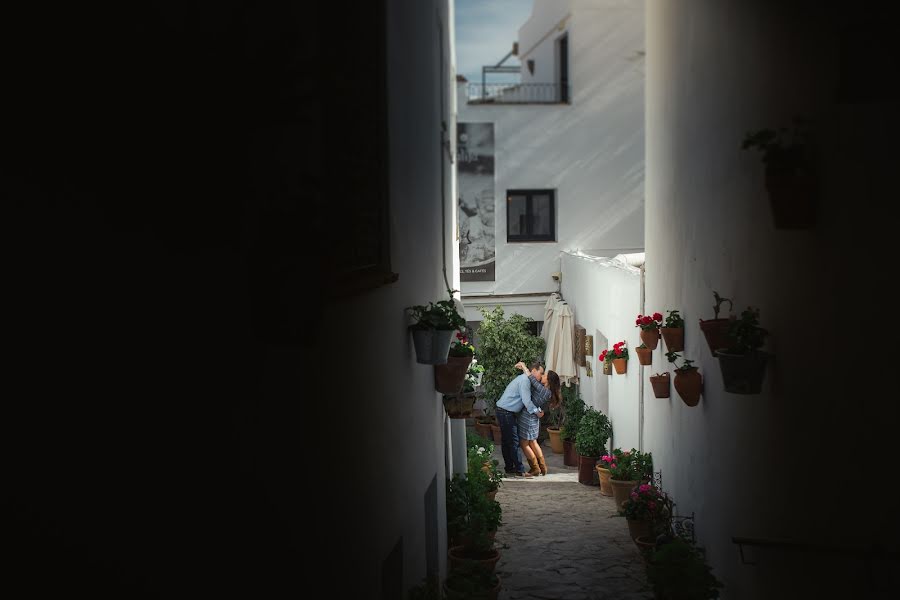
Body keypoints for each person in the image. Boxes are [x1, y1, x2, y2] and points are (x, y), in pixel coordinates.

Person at [494, 361, 545, 477]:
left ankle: (510, 468)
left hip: (503, 411)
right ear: (533, 371)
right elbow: (527, 401)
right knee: (513, 442)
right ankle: (520, 470)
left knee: (507, 442)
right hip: (506, 412)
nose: (541, 376)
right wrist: (537, 412)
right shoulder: (525, 381)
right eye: (540, 373)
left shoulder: (525, 379)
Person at [514, 362, 562, 476]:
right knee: (533, 442)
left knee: (524, 443)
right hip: (534, 418)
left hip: (528, 416)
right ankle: (542, 467)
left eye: (545, 375)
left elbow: (531, 378)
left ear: (549, 381)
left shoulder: (543, 390)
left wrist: (524, 367)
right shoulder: (548, 393)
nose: (542, 376)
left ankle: (535, 468)